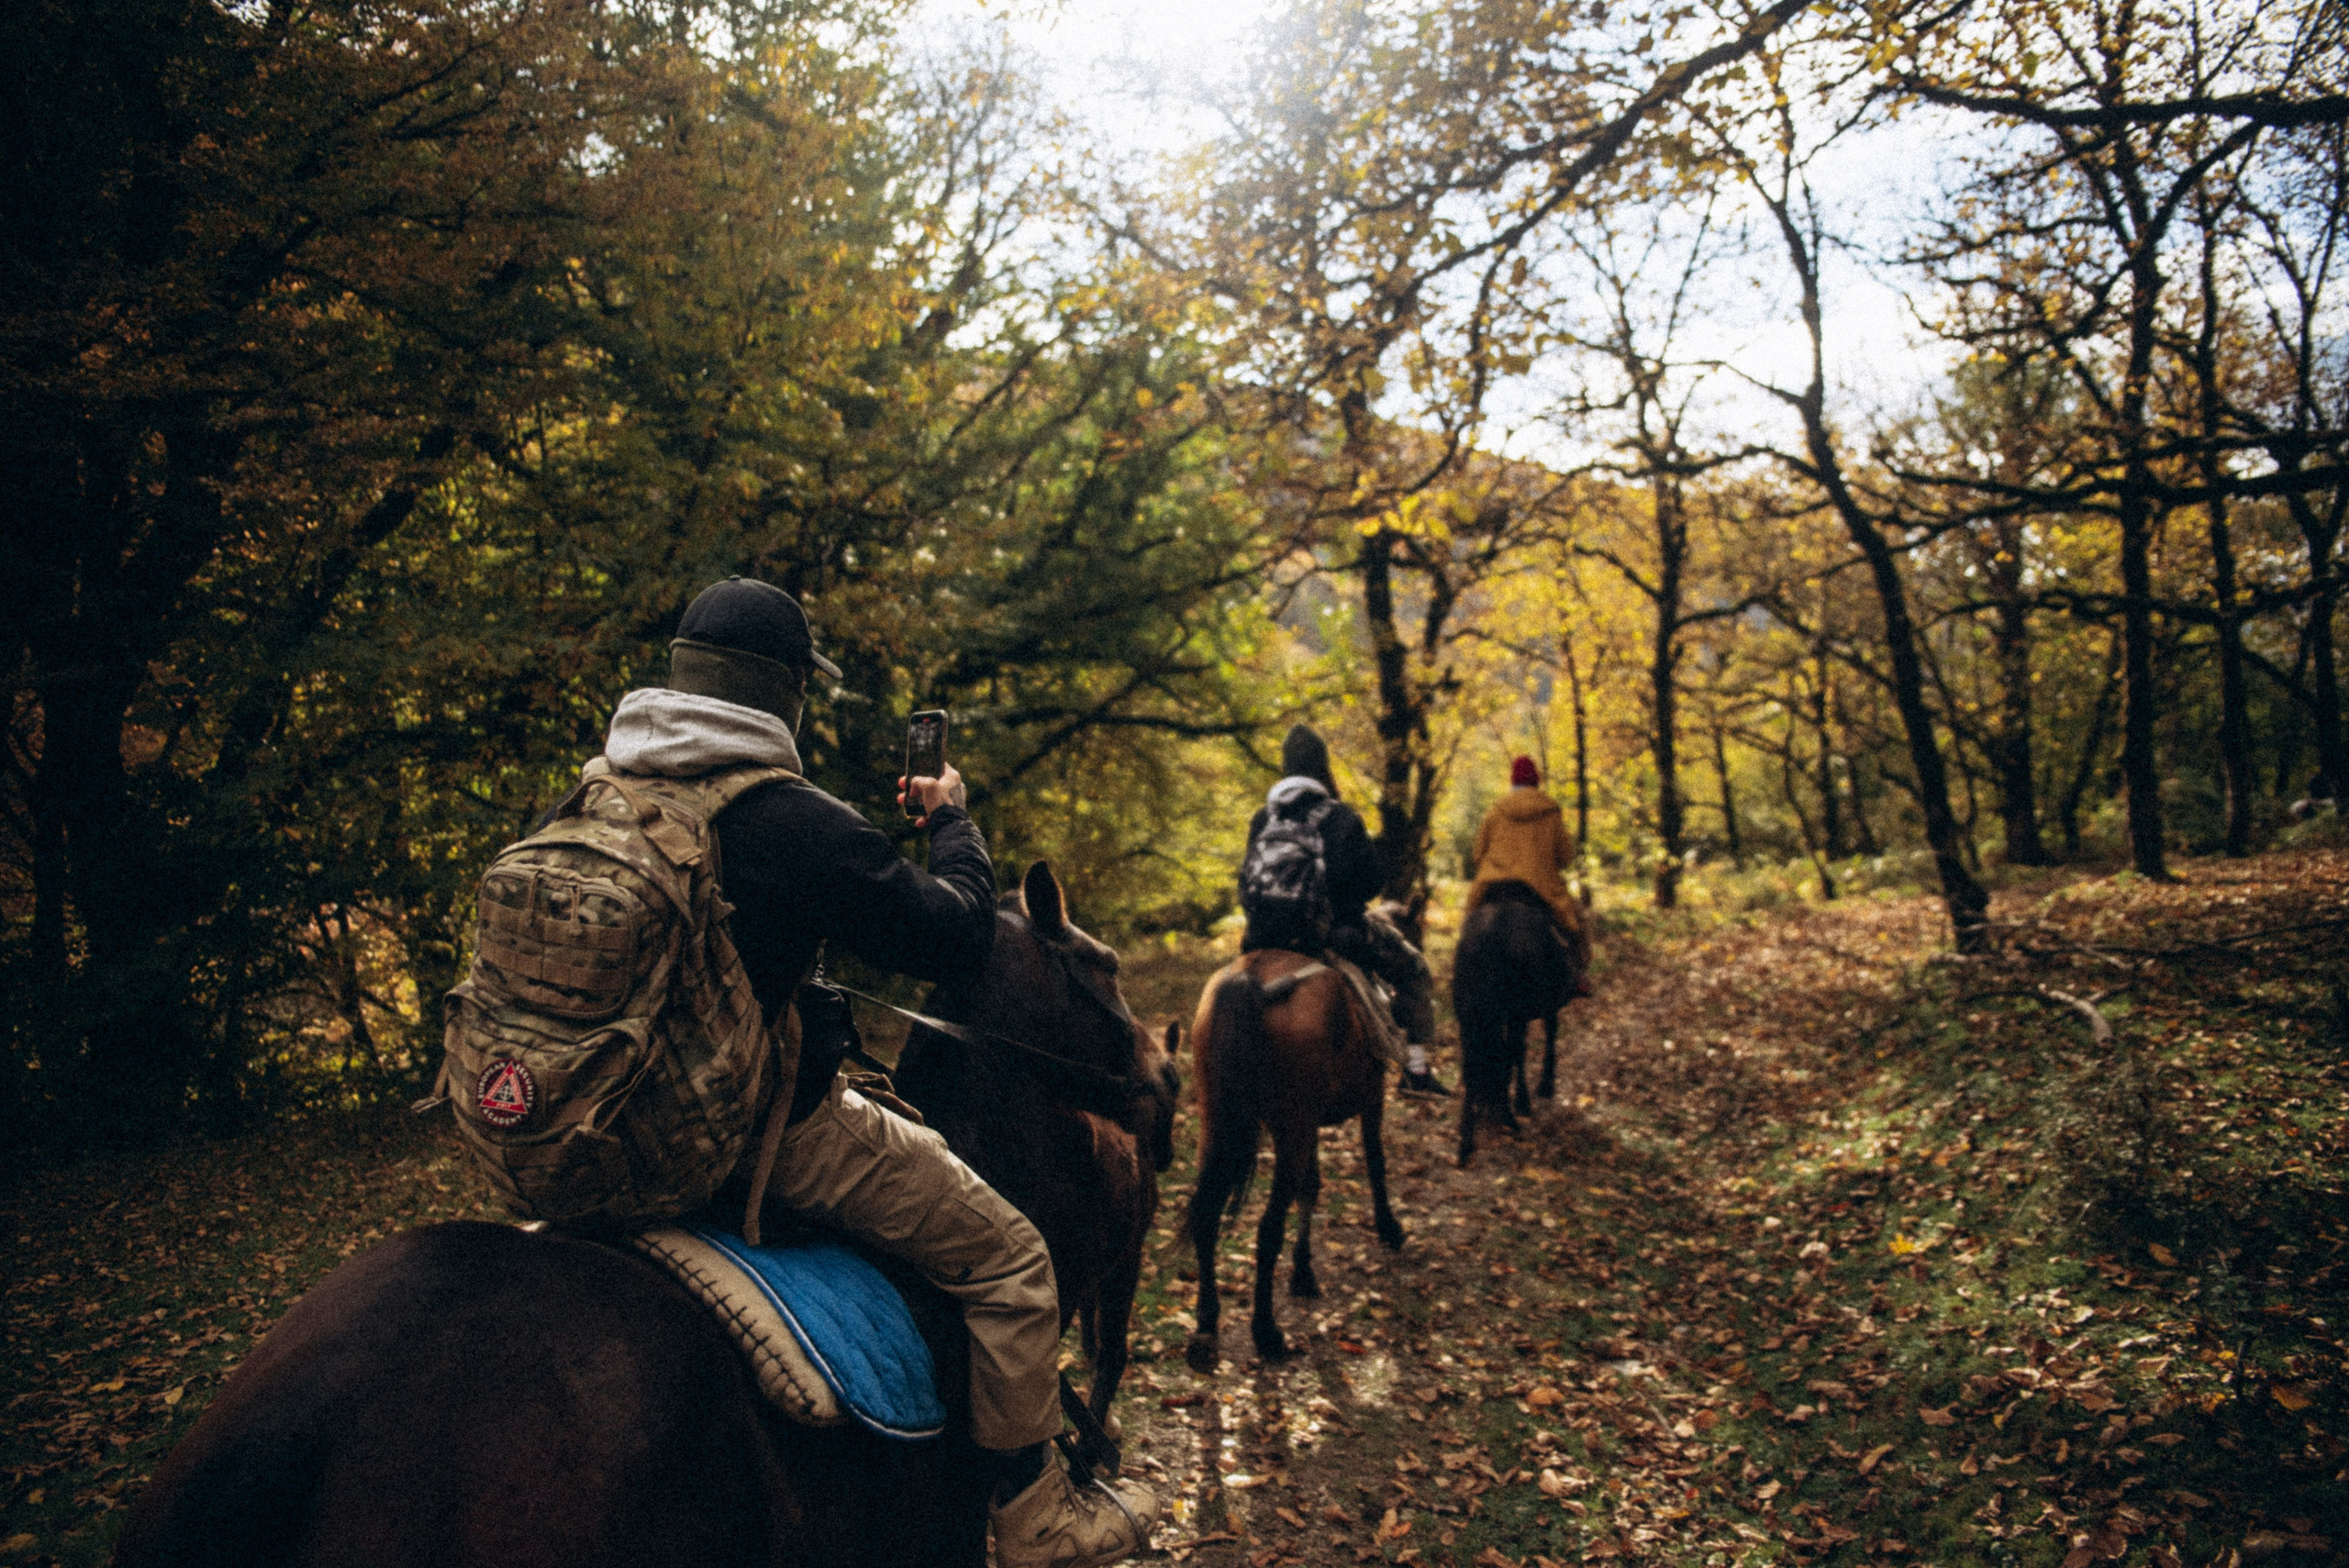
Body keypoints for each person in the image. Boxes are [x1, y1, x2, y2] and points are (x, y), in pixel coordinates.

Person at [600, 576, 1154, 1568]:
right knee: (1013, 1259)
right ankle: (1038, 1517)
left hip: (599, 1124)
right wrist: (952, 822)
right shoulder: (789, 815)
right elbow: (955, 935)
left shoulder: (598, 791)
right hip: (752, 1132)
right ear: (783, 693)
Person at [1240, 724, 1448, 1095]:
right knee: (1414, 968)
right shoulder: (1341, 818)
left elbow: (1246, 885)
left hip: (1261, 939)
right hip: (1335, 937)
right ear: (1322, 767)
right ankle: (1416, 1071)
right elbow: (1371, 884)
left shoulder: (1263, 818)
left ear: (1285, 768)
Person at [1467, 755, 1593, 985]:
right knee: (1576, 921)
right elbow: (1565, 857)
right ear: (1536, 781)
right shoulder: (1550, 810)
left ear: (1512, 781)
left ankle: (1462, 972)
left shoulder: (1495, 811)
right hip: (1540, 887)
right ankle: (1578, 975)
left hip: (1495, 886)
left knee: (1469, 925)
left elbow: (1477, 855)